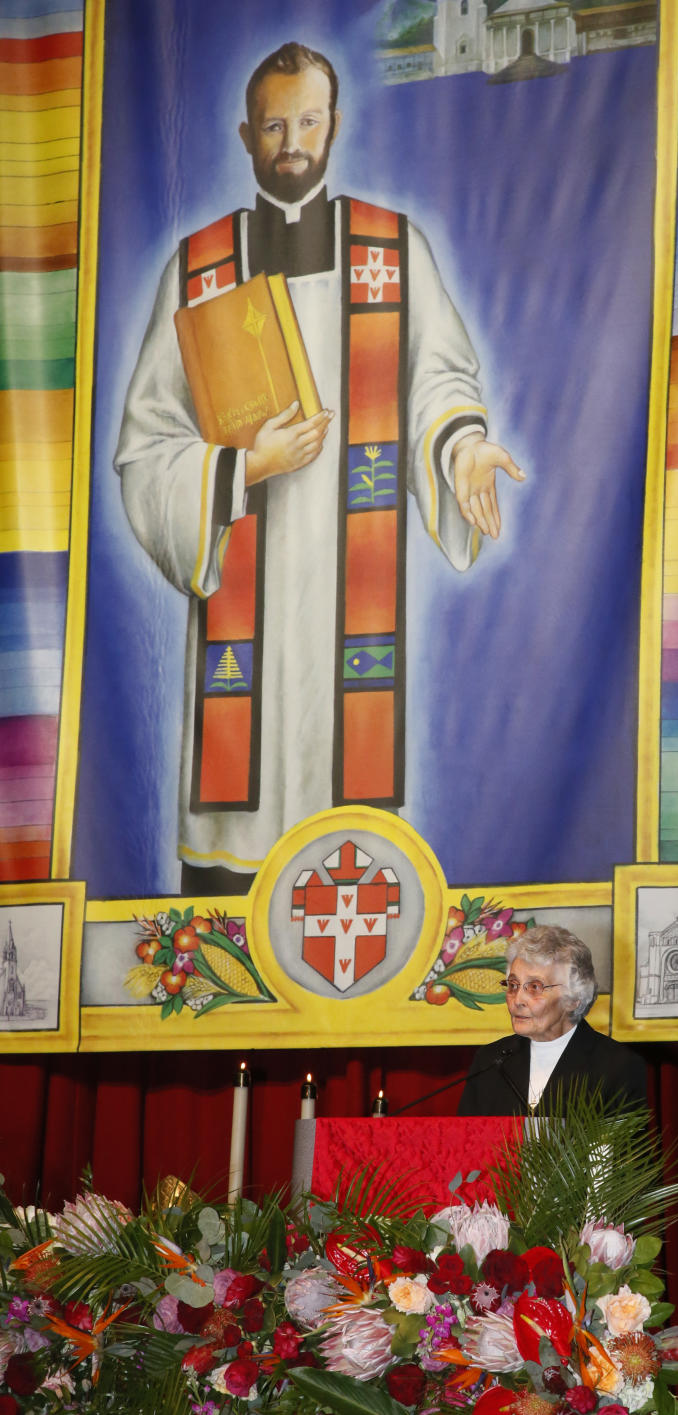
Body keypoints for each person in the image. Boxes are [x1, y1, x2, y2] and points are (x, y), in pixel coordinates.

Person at [116, 42, 524, 894]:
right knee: (237, 870)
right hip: (244, 624)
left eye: (307, 120)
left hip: (351, 603)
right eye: (274, 125)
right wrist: (238, 469)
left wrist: (462, 446)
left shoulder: (392, 249)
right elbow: (147, 444)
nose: (291, 140)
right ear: (244, 135)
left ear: (334, 125)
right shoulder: (196, 271)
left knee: (352, 862)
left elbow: (439, 381)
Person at [457, 925, 647, 1116]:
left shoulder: (617, 1066)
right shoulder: (489, 1061)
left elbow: (623, 1145)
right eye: (513, 985)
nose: (517, 1000)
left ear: (573, 999)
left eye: (534, 987)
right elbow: (464, 1141)